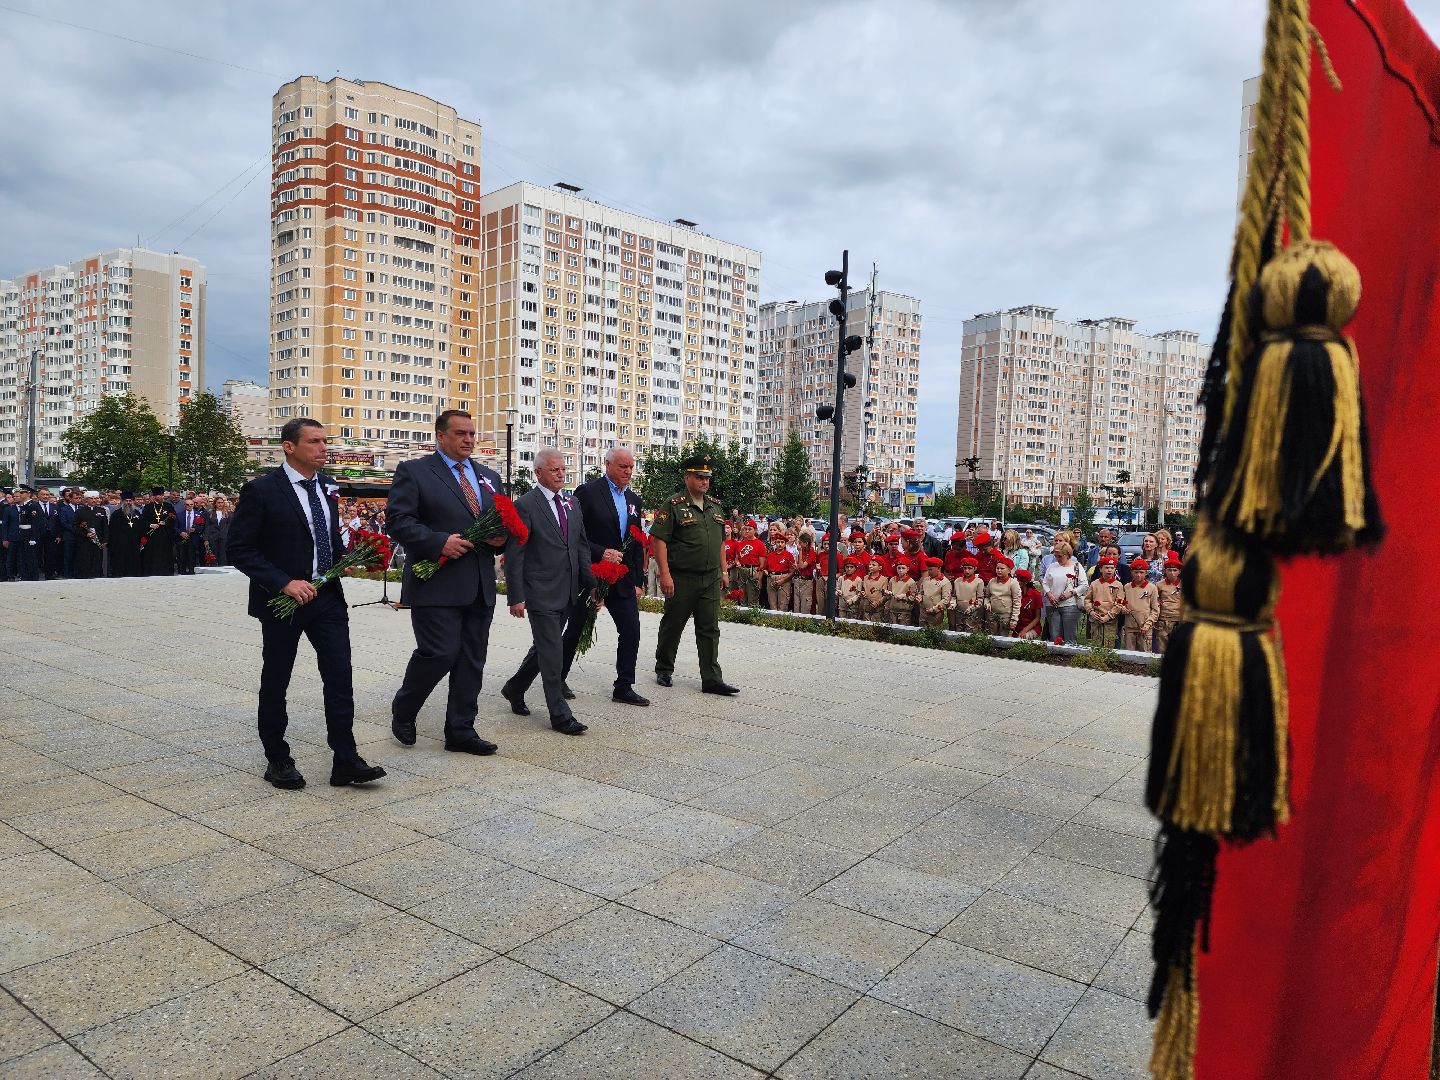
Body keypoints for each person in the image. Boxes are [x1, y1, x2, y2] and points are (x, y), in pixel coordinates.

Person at [227, 418, 385, 790]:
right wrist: (283, 582)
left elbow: (323, 540)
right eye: (314, 442)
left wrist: (353, 555)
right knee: (277, 678)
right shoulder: (262, 490)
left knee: (339, 676)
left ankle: (345, 759)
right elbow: (239, 548)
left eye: (324, 441)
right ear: (289, 446)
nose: (322, 448)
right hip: (283, 601)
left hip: (327, 599)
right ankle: (277, 758)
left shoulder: (328, 488)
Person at [387, 410, 507, 756]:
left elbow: (500, 522)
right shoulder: (416, 471)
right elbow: (398, 521)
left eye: (472, 433)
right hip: (435, 580)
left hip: (479, 583)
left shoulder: (488, 477)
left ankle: (461, 730)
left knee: (472, 658)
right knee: (439, 652)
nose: (469, 439)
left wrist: (502, 539)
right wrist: (438, 541)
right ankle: (405, 708)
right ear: (440, 435)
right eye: (460, 433)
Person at [501, 450, 597, 736]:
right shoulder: (526, 505)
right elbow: (515, 554)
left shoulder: (572, 502)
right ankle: (560, 715)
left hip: (567, 590)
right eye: (553, 470)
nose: (560, 474)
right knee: (553, 652)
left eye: (562, 469)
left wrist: (591, 583)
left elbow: (580, 546)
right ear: (538, 473)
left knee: (545, 647)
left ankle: (514, 687)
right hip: (540, 592)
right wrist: (516, 596)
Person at [555, 445, 650, 707]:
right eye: (622, 466)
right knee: (576, 628)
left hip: (622, 576)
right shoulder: (588, 492)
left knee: (631, 630)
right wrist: (600, 552)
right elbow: (574, 533)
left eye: (631, 467)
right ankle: (557, 678)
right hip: (592, 573)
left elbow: (636, 541)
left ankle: (624, 686)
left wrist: (638, 581)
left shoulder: (633, 500)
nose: (628, 471)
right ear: (607, 465)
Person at [649, 455, 738, 695]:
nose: (704, 481)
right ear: (687, 477)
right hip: (682, 578)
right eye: (699, 477)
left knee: (709, 628)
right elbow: (660, 541)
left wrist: (723, 570)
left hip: (710, 578)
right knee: (673, 624)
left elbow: (720, 542)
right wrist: (664, 575)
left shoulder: (715, 506)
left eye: (707, 477)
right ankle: (664, 668)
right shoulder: (674, 504)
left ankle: (711, 679)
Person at [1044, 540, 1087, 644]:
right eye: (1056, 556)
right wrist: (1049, 594)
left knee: (1070, 636)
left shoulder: (1076, 567)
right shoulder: (1052, 566)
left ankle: (1070, 657)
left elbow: (1084, 585)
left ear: (1067, 554)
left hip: (1070, 605)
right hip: (1053, 605)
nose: (1057, 559)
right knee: (1055, 636)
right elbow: (1045, 582)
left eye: (1060, 556)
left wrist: (1071, 593)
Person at [1085, 556, 1125, 648]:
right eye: (1106, 567)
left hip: (1110, 621)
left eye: (1112, 568)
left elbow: (1119, 604)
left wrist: (1108, 616)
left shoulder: (1118, 585)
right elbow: (1087, 600)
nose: (1109, 570)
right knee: (1096, 644)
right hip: (1096, 619)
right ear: (1100, 569)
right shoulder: (1094, 584)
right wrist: (1091, 612)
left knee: (1109, 645)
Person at [1122, 558, 1161, 652]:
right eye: (1136, 572)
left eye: (1141, 572)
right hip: (1130, 627)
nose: (1138, 575)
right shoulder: (1127, 587)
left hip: (1145, 627)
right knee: (1129, 653)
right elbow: (1120, 603)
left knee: (1145, 653)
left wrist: (1148, 624)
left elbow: (1155, 609)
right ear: (1132, 572)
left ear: (1146, 573)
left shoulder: (1152, 588)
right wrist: (1123, 609)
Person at [138, 488, 176, 576]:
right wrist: (150, 525)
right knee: (152, 555)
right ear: (155, 496)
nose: (162, 497)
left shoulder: (168, 506)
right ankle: (152, 572)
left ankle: (166, 572)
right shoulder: (148, 507)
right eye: (160, 495)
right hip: (152, 537)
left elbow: (173, 518)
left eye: (163, 495)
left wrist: (166, 522)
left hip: (165, 535)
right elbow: (143, 521)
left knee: (165, 554)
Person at [107, 492, 143, 577]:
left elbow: (141, 527)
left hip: (134, 542)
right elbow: (112, 530)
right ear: (122, 501)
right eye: (126, 501)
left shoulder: (137, 513)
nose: (128, 503)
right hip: (121, 544)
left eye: (130, 501)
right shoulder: (116, 514)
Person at [1156, 552, 1185, 652]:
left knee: (1177, 646)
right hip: (1164, 619)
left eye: (1175, 570)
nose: (1172, 573)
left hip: (1179, 618)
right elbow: (1155, 599)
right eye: (1169, 570)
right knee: (1162, 645)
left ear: (1179, 571)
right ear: (1165, 571)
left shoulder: (1184, 584)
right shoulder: (1159, 585)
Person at [72, 495, 106, 579]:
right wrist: (85, 534)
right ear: (87, 499)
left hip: (98, 540)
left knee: (97, 560)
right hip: (84, 541)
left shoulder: (102, 511)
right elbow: (75, 526)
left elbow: (105, 526)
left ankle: (97, 576)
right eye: (92, 498)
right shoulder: (80, 511)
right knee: (85, 560)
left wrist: (105, 540)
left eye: (95, 498)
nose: (94, 500)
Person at [986, 556, 1022, 636]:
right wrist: (987, 603)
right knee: (991, 636)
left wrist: (1014, 620)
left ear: (1009, 570)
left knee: (1004, 638)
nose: (999, 570)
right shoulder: (992, 581)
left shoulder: (1013, 583)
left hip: (1006, 617)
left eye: (1002, 569)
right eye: (997, 568)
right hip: (992, 615)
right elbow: (987, 596)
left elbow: (1017, 602)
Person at [732, 520, 765, 606]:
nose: (747, 531)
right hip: (742, 570)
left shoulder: (760, 544)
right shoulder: (740, 543)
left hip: (753, 571)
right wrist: (737, 562)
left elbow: (762, 564)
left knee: (753, 599)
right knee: (742, 598)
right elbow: (736, 558)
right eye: (745, 529)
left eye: (749, 529)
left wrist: (760, 579)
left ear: (755, 530)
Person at [952, 555, 986, 631]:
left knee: (970, 630)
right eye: (965, 568)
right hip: (959, 612)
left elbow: (980, 599)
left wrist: (972, 608)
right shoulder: (957, 581)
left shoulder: (979, 582)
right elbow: (954, 596)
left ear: (975, 569)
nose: (967, 571)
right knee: (959, 629)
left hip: (972, 612)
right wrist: (953, 603)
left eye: (970, 568)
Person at [763, 530, 794, 611]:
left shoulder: (789, 555)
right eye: (778, 542)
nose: (780, 544)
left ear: (785, 543)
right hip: (771, 578)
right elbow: (765, 568)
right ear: (775, 543)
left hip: (784, 579)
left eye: (782, 542)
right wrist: (765, 571)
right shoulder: (770, 555)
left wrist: (783, 580)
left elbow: (792, 572)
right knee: (772, 604)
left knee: (783, 605)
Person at [919, 557, 953, 628]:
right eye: (928, 569)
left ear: (939, 569)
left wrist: (934, 609)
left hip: (936, 613)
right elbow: (921, 592)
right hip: (923, 611)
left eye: (931, 569)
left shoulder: (945, 582)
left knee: (934, 632)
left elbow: (946, 599)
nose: (929, 571)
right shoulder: (925, 580)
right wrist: (919, 597)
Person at [792, 530, 818, 614]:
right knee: (796, 604)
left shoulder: (812, 552)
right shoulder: (801, 551)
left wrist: (799, 552)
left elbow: (803, 566)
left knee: (805, 604)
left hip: (807, 581)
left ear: (806, 543)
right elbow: (799, 567)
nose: (798, 545)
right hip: (798, 579)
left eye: (800, 543)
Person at [886, 560, 920, 625]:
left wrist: (903, 596)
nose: (901, 570)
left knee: (903, 630)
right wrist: (888, 593)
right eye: (899, 568)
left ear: (907, 569)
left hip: (904, 611)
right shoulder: (892, 580)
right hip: (893, 609)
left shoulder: (911, 582)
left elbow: (912, 597)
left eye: (903, 568)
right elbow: (888, 595)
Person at [57, 488, 81, 579]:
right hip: (69, 536)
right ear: (70, 499)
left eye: (79, 498)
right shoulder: (64, 509)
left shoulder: (82, 508)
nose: (78, 500)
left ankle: (77, 573)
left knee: (78, 556)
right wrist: (75, 530)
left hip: (80, 537)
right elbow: (64, 522)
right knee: (68, 556)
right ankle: (67, 574)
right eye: (76, 498)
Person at [1015, 569, 1045, 639]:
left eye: (1017, 580)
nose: (1014, 582)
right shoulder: (1015, 592)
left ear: (1024, 582)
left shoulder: (1036, 594)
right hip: (1016, 626)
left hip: (1031, 627)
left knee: (1020, 639)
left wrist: (1025, 630)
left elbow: (1037, 618)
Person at [175, 498, 202, 575]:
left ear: (193, 505)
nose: (189, 506)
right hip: (182, 538)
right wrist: (180, 533)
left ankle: (191, 572)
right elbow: (175, 527)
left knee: (192, 556)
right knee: (182, 556)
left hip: (193, 538)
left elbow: (202, 526)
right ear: (184, 505)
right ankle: (182, 572)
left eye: (191, 504)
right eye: (187, 504)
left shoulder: (199, 514)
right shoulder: (179, 515)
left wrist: (195, 529)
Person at [860, 557, 889, 622]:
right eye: (870, 564)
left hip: (877, 609)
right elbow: (863, 589)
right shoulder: (865, 578)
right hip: (866, 608)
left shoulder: (884, 580)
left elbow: (885, 595)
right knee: (866, 626)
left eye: (873, 565)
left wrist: (878, 603)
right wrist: (863, 593)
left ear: (880, 568)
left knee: (876, 626)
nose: (870, 566)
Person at [205, 496, 232, 565]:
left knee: (223, 555)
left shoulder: (228, 514)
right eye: (218, 503)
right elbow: (207, 526)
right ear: (215, 504)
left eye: (222, 502)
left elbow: (229, 527)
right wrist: (206, 539)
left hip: (223, 537)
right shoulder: (210, 513)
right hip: (213, 536)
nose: (220, 504)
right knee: (213, 554)